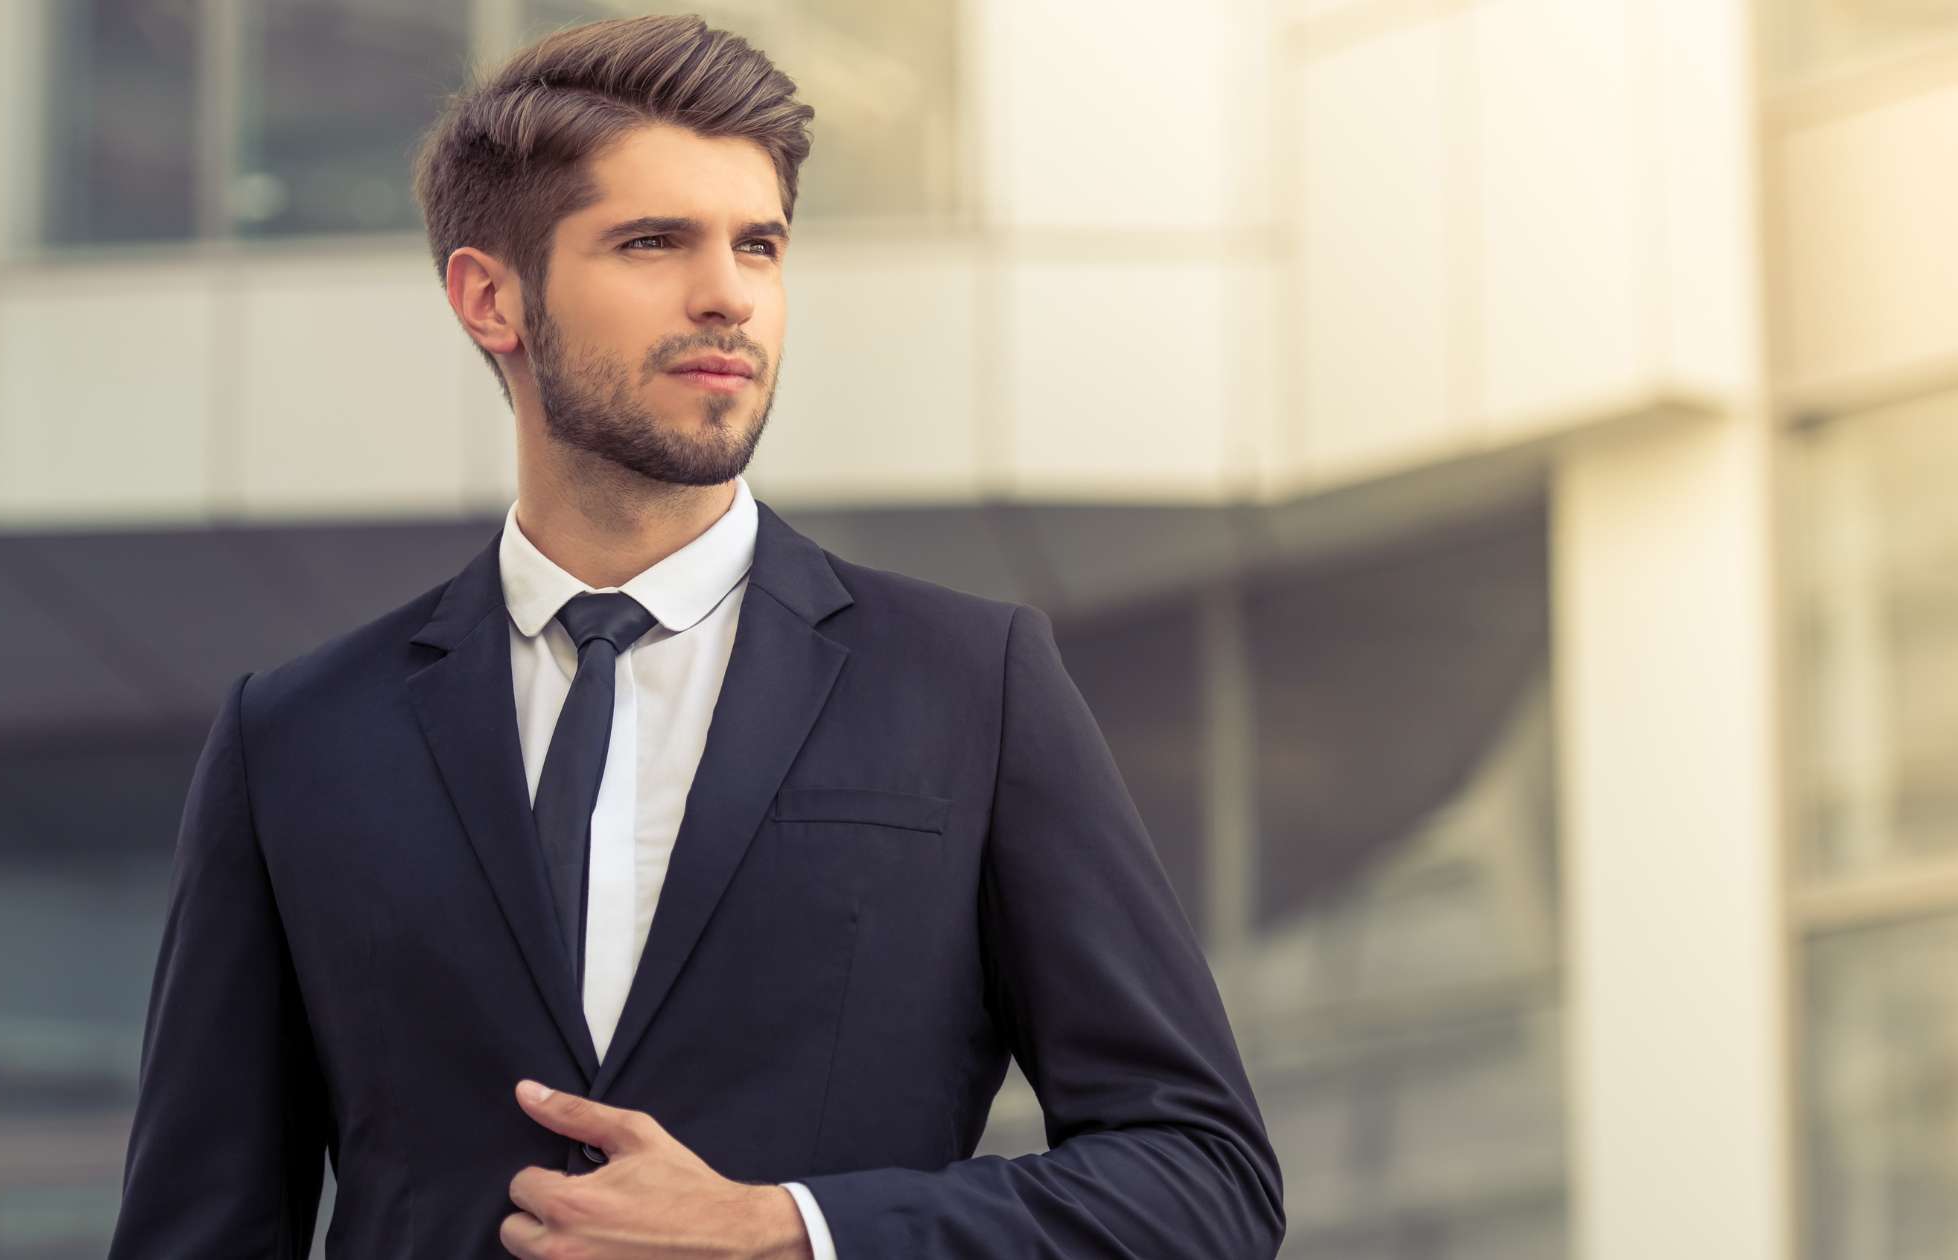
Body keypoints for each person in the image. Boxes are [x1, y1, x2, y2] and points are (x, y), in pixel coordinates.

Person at [106, 14, 1282, 1259]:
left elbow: (1199, 1183)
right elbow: (201, 1228)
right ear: (489, 296)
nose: (727, 294)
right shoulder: (297, 738)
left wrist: (791, 1228)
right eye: (652, 241)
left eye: (758, 244)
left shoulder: (968, 683)